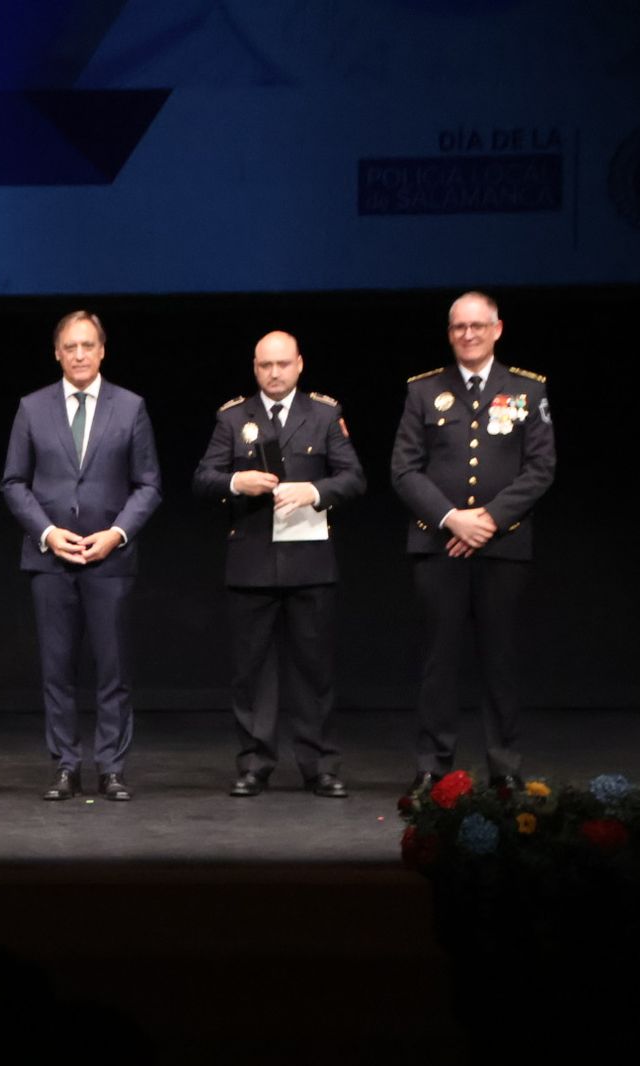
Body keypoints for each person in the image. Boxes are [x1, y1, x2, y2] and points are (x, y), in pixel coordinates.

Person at [392, 291, 555, 793]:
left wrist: (486, 519)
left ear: (497, 329)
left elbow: (540, 468)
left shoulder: (527, 389)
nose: (468, 334)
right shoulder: (424, 391)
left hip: (502, 547)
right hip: (438, 546)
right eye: (459, 327)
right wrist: (450, 519)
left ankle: (504, 768)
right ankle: (432, 767)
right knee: (438, 661)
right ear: (450, 333)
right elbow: (403, 468)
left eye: (477, 326)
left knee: (500, 661)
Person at [192, 331, 365, 798]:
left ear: (299, 365)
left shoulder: (325, 414)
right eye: (266, 365)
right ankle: (254, 763)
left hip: (310, 559)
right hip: (251, 561)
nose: (274, 373)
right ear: (254, 367)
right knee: (252, 672)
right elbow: (202, 479)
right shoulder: (233, 417)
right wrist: (235, 481)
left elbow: (353, 479)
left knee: (315, 670)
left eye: (283, 364)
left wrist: (314, 491)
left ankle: (320, 765)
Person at [0, 311, 162, 801]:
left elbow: (149, 485)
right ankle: (66, 766)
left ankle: (111, 766)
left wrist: (117, 533)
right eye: (70, 347)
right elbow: (12, 483)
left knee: (112, 670)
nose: (78, 354)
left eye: (87, 345)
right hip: (51, 559)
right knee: (57, 669)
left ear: (102, 350)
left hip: (109, 558)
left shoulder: (130, 407)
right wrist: (48, 533)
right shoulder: (32, 407)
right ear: (56, 352)